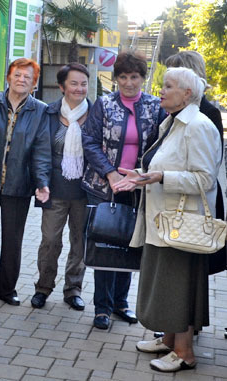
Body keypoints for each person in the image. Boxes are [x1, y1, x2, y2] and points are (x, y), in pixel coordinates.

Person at [114, 67, 222, 372]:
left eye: (169, 86)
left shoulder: (197, 125)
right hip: (164, 220)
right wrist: (143, 175)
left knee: (178, 286)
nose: (161, 91)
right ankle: (170, 340)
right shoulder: (173, 122)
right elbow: (163, 162)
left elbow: (205, 180)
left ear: (187, 94)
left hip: (182, 224)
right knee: (166, 284)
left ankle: (185, 352)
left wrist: (162, 177)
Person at [81, 51, 166, 329]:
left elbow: (161, 147)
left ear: (143, 77)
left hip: (138, 188)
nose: (129, 82)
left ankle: (121, 303)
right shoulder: (104, 104)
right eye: (123, 77)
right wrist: (111, 173)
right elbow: (90, 141)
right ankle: (102, 308)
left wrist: (139, 177)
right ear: (116, 78)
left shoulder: (155, 106)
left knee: (129, 245)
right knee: (104, 246)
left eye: (135, 77)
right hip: (103, 186)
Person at [0, 58, 51, 306]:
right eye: (17, 75)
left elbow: (41, 150)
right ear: (8, 77)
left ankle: (7, 290)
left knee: (13, 240)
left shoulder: (40, 110)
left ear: (34, 83)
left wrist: (42, 181)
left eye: (28, 77)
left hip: (19, 184)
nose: (21, 80)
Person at [31, 63, 91, 310]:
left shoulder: (97, 113)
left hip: (85, 191)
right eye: (74, 83)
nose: (79, 88)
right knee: (50, 241)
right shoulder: (50, 113)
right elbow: (42, 153)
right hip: (54, 190)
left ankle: (73, 289)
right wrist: (42, 183)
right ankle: (43, 287)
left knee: (80, 241)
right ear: (62, 86)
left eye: (84, 83)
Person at [165, 50, 226, 275]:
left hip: (196, 201)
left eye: (172, 82)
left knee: (191, 270)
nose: (166, 87)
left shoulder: (207, 113)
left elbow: (209, 166)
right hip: (175, 196)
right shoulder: (172, 110)